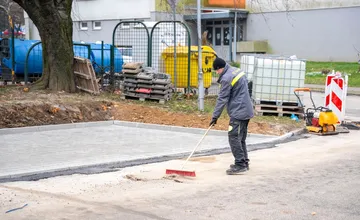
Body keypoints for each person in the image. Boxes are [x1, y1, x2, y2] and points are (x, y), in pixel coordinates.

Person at [209, 57, 254, 175]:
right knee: (241, 138)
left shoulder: (226, 78)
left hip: (239, 111)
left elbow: (222, 98)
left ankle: (240, 164)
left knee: (233, 136)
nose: (217, 73)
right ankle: (244, 162)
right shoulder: (236, 70)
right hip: (246, 109)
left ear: (220, 68)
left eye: (216, 71)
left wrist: (215, 116)